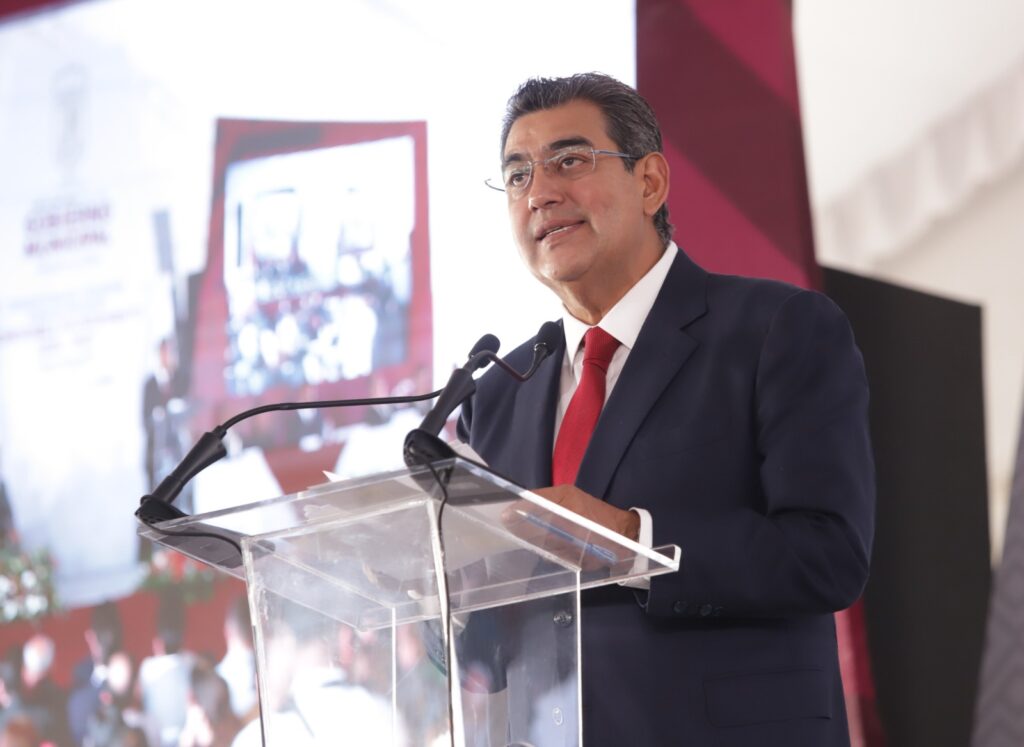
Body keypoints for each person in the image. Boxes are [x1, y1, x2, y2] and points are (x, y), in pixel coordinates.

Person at [457, 73, 875, 746]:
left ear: (649, 182)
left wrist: (632, 538)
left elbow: (828, 555)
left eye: (569, 160)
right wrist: (446, 594)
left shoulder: (778, 329)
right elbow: (487, 649)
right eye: (517, 175)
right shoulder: (497, 391)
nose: (539, 193)